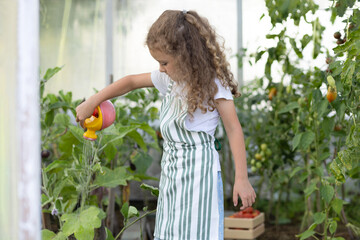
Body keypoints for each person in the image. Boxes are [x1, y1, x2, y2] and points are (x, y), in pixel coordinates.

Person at [76, 9, 256, 240]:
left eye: (164, 62)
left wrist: (241, 178)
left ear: (186, 56)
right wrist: (93, 101)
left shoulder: (214, 85)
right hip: (172, 175)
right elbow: (130, 82)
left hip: (200, 178)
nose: (160, 68)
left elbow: (233, 129)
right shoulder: (168, 80)